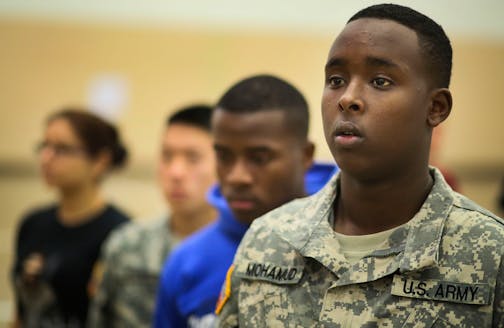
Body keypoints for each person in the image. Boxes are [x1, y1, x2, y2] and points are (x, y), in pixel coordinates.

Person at [217, 4, 504, 327]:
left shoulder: (492, 254)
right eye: (336, 79)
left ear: (435, 107)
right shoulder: (269, 239)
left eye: (380, 81)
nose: (347, 98)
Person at [154, 74, 337, 327]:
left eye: (259, 158)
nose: (237, 177)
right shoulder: (188, 261)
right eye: (224, 157)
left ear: (305, 156)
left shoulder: (348, 240)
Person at [87, 105, 218, 327]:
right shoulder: (127, 244)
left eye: (192, 158)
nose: (175, 172)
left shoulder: (244, 252)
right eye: (167, 156)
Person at [12, 108, 131, 328]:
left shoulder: (121, 232)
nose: (46, 157)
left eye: (62, 149)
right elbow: (21, 312)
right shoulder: (33, 223)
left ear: (100, 161)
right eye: (44, 146)